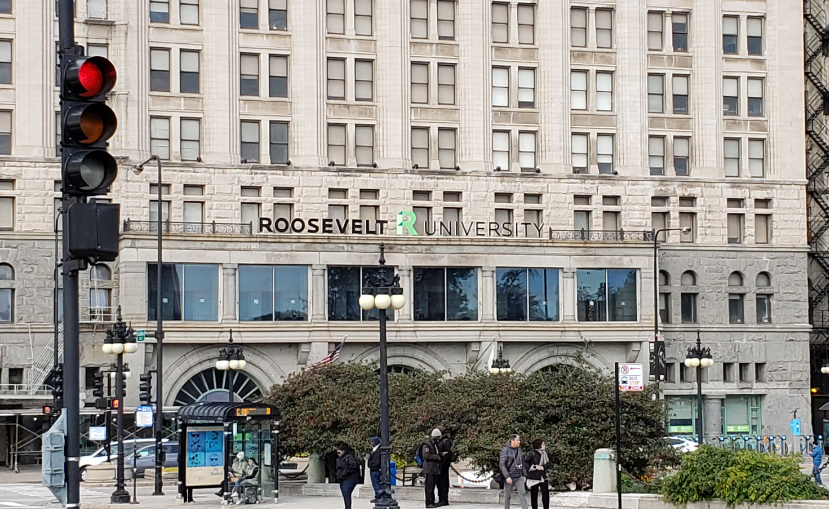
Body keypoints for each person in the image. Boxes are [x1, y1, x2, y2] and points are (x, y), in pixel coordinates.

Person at [499, 434, 528, 509]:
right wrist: (507, 476)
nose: (519, 442)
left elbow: (522, 462)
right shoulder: (505, 450)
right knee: (507, 496)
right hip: (509, 476)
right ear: (512, 441)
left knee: (522, 493)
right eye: (517, 440)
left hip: (519, 475)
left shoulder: (519, 450)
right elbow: (502, 464)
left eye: (519, 440)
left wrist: (524, 475)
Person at [524, 439, 550, 509]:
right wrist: (531, 467)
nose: (544, 446)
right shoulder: (533, 453)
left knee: (545, 493)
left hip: (542, 476)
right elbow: (525, 462)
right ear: (539, 446)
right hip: (534, 477)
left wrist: (542, 467)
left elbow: (548, 464)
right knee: (534, 494)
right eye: (543, 444)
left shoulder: (545, 453)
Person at [421, 429, 443, 508]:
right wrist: (437, 457)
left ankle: (432, 501)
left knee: (433, 485)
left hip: (434, 468)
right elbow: (426, 456)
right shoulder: (427, 445)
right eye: (438, 437)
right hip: (429, 468)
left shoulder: (434, 444)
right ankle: (429, 502)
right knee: (429, 486)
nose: (439, 439)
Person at [335, 443, 361, 509]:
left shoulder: (349, 457)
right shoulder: (340, 458)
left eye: (339, 452)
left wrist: (345, 472)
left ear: (343, 451)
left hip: (349, 478)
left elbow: (353, 466)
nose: (338, 454)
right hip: (342, 478)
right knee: (345, 494)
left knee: (346, 493)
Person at [436, 430, 454, 507]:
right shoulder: (439, 441)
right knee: (439, 483)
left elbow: (448, 454)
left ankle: (444, 499)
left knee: (443, 482)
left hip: (443, 465)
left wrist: (442, 461)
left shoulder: (445, 442)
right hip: (439, 465)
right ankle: (441, 498)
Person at [368, 437, 382, 503]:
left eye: (372, 442)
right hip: (375, 469)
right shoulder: (375, 450)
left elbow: (376, 462)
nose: (371, 443)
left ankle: (378, 497)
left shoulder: (377, 450)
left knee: (376, 484)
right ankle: (377, 496)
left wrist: (371, 465)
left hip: (375, 470)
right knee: (376, 484)